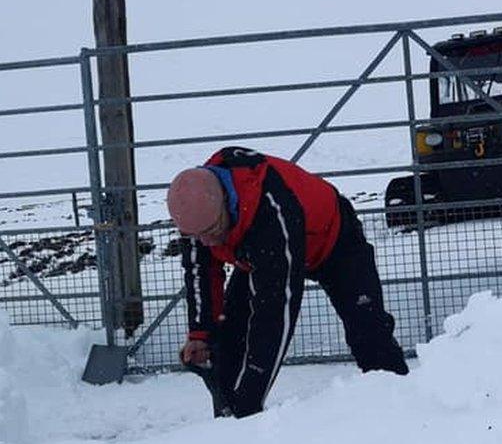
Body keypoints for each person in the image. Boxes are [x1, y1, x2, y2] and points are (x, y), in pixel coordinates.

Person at [167, 146, 408, 418]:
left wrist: (251, 396)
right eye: (197, 237)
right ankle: (228, 424)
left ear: (226, 202)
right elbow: (201, 273)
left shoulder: (270, 210)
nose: (207, 242)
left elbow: (274, 315)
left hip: (335, 242)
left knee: (369, 333)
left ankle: (402, 411)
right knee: (228, 338)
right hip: (257, 255)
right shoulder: (198, 217)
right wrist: (200, 334)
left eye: (212, 231)